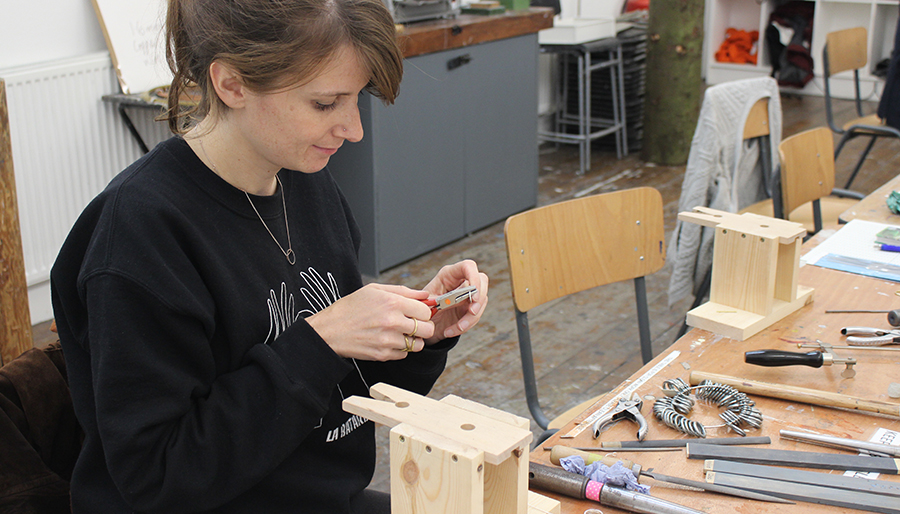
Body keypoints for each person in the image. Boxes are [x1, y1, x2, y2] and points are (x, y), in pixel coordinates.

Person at [49, 0, 489, 512]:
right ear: (231, 84)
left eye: (356, 100)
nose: (354, 129)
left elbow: (344, 394)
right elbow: (157, 477)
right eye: (326, 104)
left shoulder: (306, 183)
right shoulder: (139, 236)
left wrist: (420, 333)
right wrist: (321, 342)